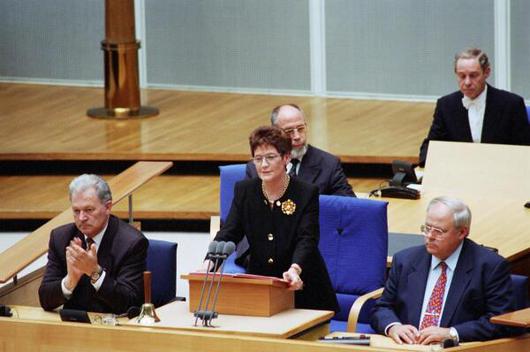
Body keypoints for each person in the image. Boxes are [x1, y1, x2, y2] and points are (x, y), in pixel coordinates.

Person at [207, 126, 338, 312]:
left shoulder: (305, 193)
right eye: (258, 159)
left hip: (302, 286)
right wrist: (209, 263)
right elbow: (229, 232)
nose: (263, 165)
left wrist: (295, 269)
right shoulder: (245, 191)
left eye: (270, 157)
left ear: (286, 158)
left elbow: (307, 239)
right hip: (262, 285)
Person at [371, 196, 521, 345]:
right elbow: (382, 307)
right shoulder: (405, 260)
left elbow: (501, 321)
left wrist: (452, 333)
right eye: (427, 228)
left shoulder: (490, 267)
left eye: (439, 231)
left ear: (462, 232)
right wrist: (393, 327)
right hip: (409, 348)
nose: (429, 236)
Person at [39, 174, 148, 314]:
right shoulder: (60, 238)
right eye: (76, 211)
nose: (82, 218)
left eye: (89, 210)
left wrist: (95, 272)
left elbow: (130, 303)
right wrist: (70, 281)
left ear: (108, 207)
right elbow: (45, 299)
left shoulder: (132, 242)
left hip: (114, 328)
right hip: (72, 327)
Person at [419, 48, 530, 166]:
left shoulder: (512, 104)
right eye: (462, 76)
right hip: (459, 172)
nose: (467, 82)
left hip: (500, 171)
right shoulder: (446, 105)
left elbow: (524, 150)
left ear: (486, 72)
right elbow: (430, 147)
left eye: (473, 75)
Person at [246, 104, 355, 197]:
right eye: (289, 131)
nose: (297, 136)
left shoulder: (329, 164)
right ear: (275, 132)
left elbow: (348, 205)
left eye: (301, 129)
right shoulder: (257, 167)